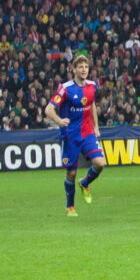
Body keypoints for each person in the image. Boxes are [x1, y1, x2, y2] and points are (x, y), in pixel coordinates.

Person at [44, 54, 106, 217]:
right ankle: (70, 207)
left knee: (100, 163)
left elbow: (91, 105)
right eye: (80, 67)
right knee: (71, 173)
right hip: (70, 135)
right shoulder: (65, 88)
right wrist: (58, 121)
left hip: (87, 133)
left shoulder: (92, 86)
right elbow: (48, 109)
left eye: (86, 67)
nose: (84, 69)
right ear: (74, 69)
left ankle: (85, 183)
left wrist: (96, 126)